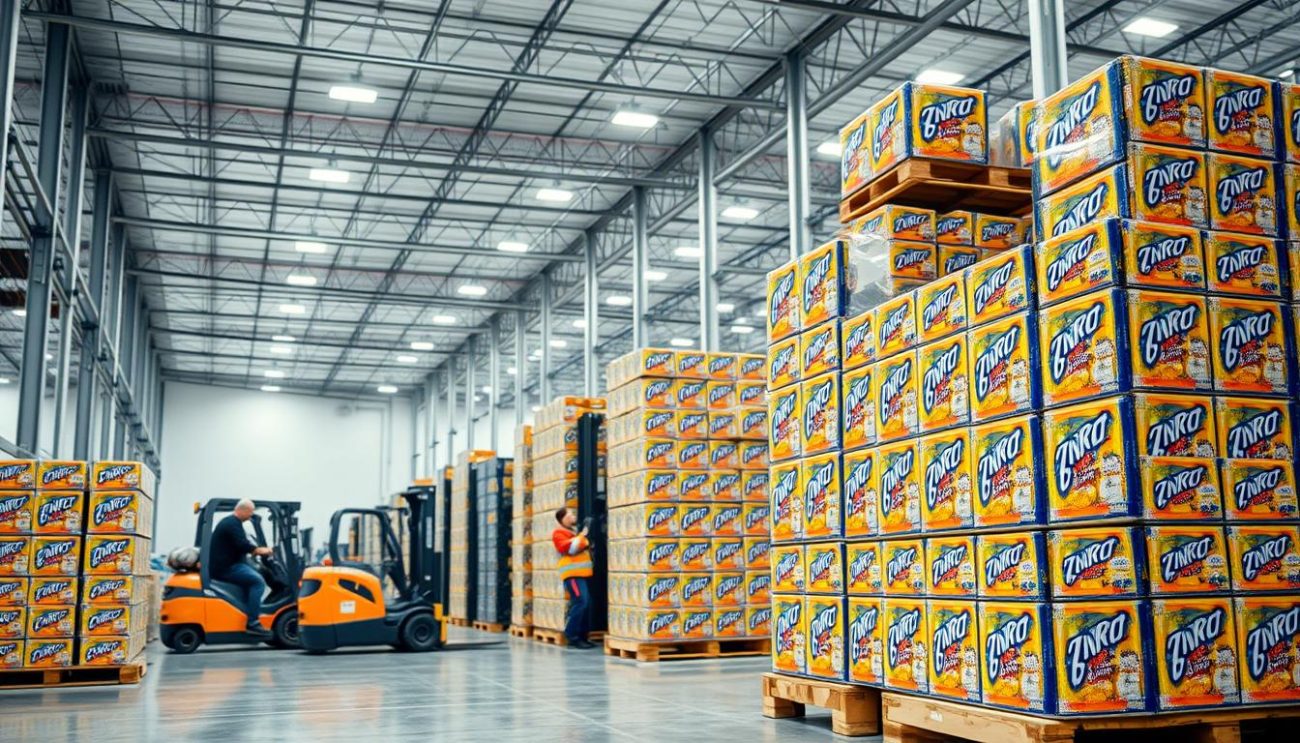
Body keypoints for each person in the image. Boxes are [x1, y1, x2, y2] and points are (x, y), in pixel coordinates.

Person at [210, 499, 274, 637]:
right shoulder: (232, 524)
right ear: (243, 510)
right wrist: (259, 550)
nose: (251, 516)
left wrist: (256, 550)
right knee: (258, 582)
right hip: (225, 568)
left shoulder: (231, 523)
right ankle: (253, 622)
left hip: (228, 563)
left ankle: (250, 608)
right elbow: (242, 545)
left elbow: (240, 544)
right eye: (250, 513)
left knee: (258, 570)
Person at [551, 507, 593, 649]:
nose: (573, 515)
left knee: (586, 604)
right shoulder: (558, 533)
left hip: (581, 574)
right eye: (570, 514)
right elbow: (570, 549)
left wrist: (582, 537)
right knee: (581, 602)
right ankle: (572, 635)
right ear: (562, 518)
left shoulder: (572, 533)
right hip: (572, 575)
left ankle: (583, 636)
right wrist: (583, 536)